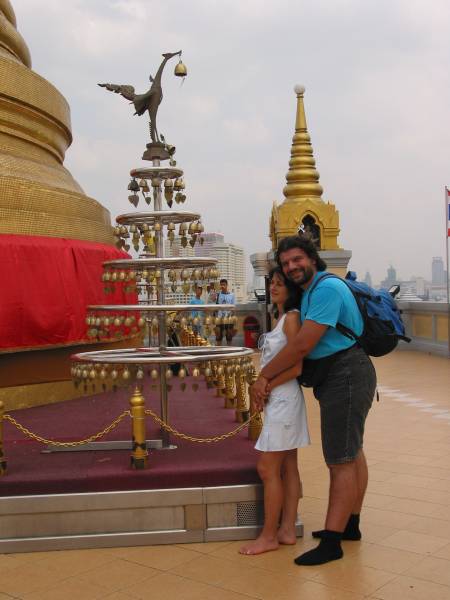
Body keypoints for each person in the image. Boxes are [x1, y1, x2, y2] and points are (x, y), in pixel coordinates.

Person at [251, 235, 376, 566]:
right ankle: (350, 524)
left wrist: (263, 377)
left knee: (340, 459)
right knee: (352, 451)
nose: (292, 267)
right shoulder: (310, 293)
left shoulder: (326, 290)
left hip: (346, 373)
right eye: (286, 263)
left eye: (297, 259)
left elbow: (302, 346)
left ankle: (332, 542)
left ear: (312, 258)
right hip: (339, 374)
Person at [240, 267, 310, 556]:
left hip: (284, 400)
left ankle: (269, 536)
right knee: (289, 465)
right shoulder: (279, 318)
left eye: (281, 283)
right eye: (272, 283)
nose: (274, 288)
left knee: (267, 468)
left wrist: (265, 385)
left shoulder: (291, 318)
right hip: (280, 399)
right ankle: (287, 530)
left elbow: (296, 366)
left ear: (292, 289)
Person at [215, 278, 235, 346]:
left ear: (227, 285)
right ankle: (219, 351)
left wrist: (232, 318)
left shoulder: (232, 295)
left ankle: (229, 351)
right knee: (218, 337)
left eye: (224, 285)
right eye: (221, 285)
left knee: (229, 337)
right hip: (219, 319)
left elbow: (233, 307)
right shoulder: (218, 295)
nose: (222, 286)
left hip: (229, 319)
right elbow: (213, 303)